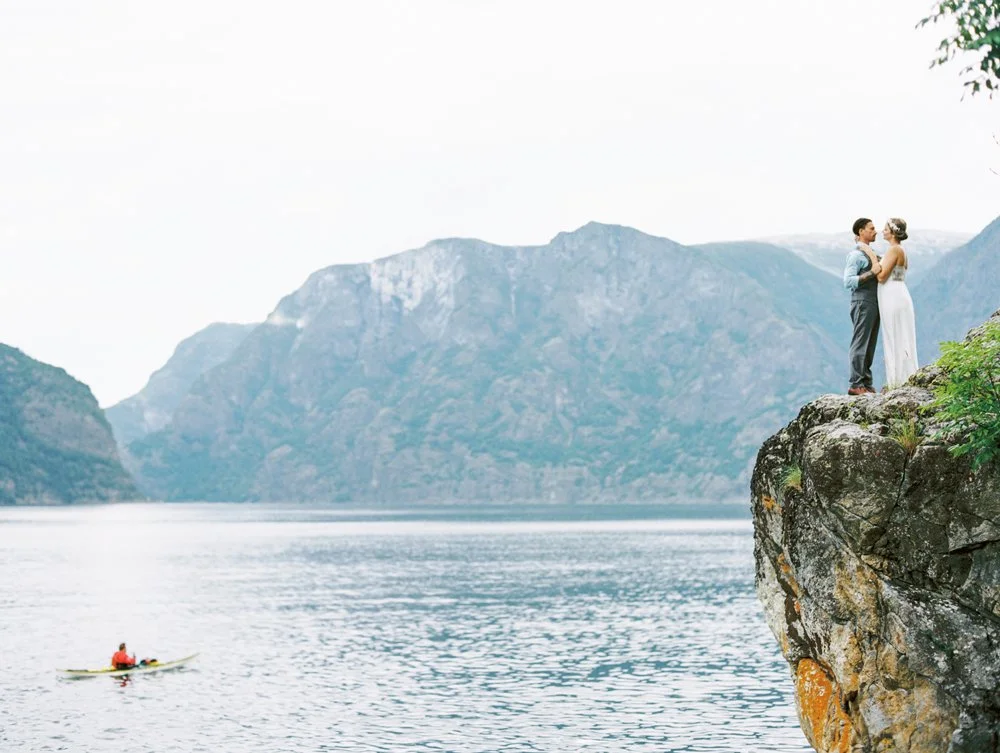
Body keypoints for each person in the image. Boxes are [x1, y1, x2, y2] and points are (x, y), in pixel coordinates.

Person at [866, 217, 918, 387]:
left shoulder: (894, 250)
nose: (883, 231)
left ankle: (898, 380)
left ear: (894, 232)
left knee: (894, 334)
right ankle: (904, 378)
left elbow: (881, 277)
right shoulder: (899, 250)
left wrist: (873, 259)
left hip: (892, 296)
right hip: (898, 293)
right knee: (900, 335)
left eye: (886, 228)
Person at [843, 218, 882, 395]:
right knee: (860, 342)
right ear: (861, 231)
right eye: (871, 229)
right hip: (862, 301)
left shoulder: (869, 252)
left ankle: (866, 382)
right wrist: (871, 273)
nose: (876, 231)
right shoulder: (856, 255)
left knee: (870, 343)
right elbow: (848, 281)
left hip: (873, 302)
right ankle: (855, 383)